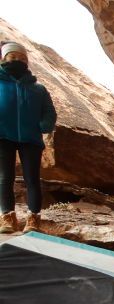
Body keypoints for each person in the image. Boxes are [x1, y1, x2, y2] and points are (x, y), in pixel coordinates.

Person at [0, 41, 57, 234]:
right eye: (13, 56)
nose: (18, 60)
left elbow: (49, 112)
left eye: (22, 58)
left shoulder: (38, 88)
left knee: (32, 179)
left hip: (30, 138)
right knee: (4, 178)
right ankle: (7, 217)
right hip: (2, 137)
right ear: (4, 58)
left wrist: (43, 126)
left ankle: (34, 218)